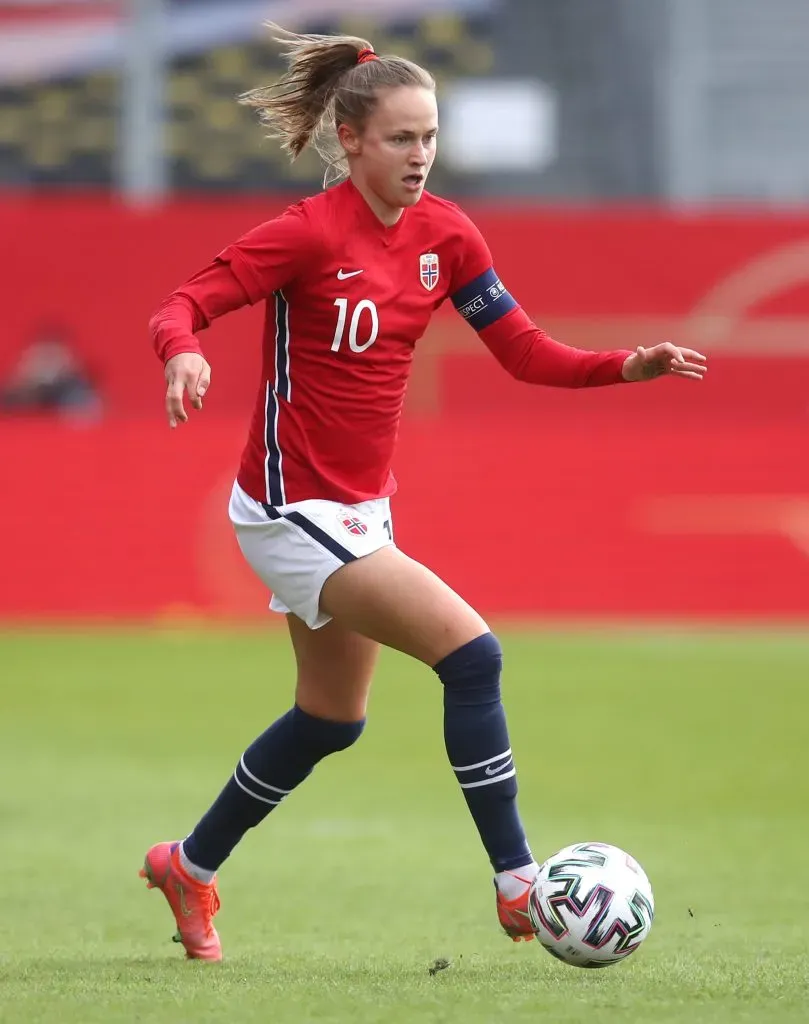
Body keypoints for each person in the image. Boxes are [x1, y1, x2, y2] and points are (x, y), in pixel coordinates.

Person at [142, 25, 708, 962]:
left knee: (331, 720)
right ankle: (518, 881)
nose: (419, 156)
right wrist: (185, 352)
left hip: (360, 510)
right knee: (472, 655)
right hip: (291, 509)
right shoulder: (306, 232)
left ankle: (188, 867)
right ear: (352, 141)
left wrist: (625, 364)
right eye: (401, 139)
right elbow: (182, 303)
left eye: (430, 137)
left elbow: (525, 353)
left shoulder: (448, 234)